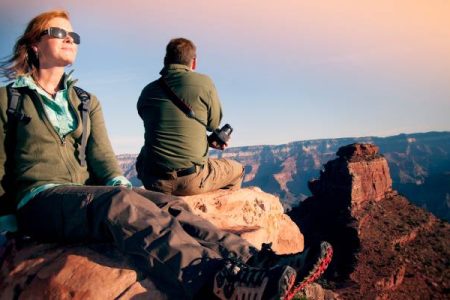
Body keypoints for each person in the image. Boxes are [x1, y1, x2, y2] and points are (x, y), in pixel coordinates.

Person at [0, 10, 333, 300]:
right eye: (57, 32)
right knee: (121, 205)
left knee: (165, 204)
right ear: (33, 44)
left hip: (82, 197)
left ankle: (256, 260)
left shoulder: (86, 101)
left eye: (73, 34)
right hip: (39, 200)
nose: (69, 38)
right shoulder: (10, 99)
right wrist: (6, 230)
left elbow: (103, 161)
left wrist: (129, 189)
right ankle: (215, 281)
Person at [136, 38, 245, 196]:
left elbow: (154, 122)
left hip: (153, 182)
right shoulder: (204, 82)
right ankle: (212, 214)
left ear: (166, 61)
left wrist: (204, 142)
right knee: (238, 170)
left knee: (146, 149)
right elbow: (213, 124)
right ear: (193, 62)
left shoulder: (147, 91)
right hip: (191, 180)